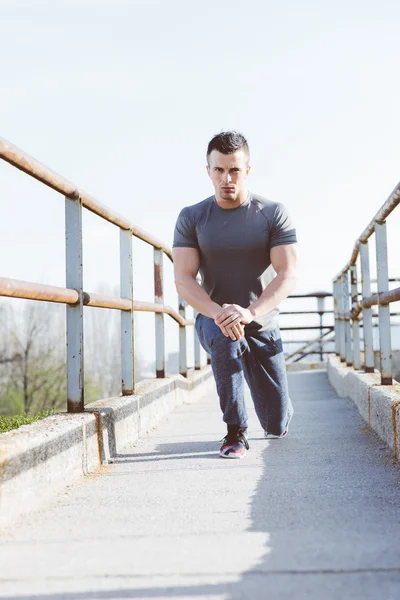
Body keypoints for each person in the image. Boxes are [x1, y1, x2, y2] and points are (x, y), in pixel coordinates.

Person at [172, 131, 298, 459]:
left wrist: (250, 312)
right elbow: (184, 279)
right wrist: (218, 312)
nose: (226, 178)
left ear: (248, 170)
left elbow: (287, 273)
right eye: (219, 170)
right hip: (214, 317)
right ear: (208, 171)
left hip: (261, 321)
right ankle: (235, 432)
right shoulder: (192, 217)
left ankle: (273, 409)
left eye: (234, 170)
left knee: (276, 423)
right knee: (226, 339)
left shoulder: (273, 213)